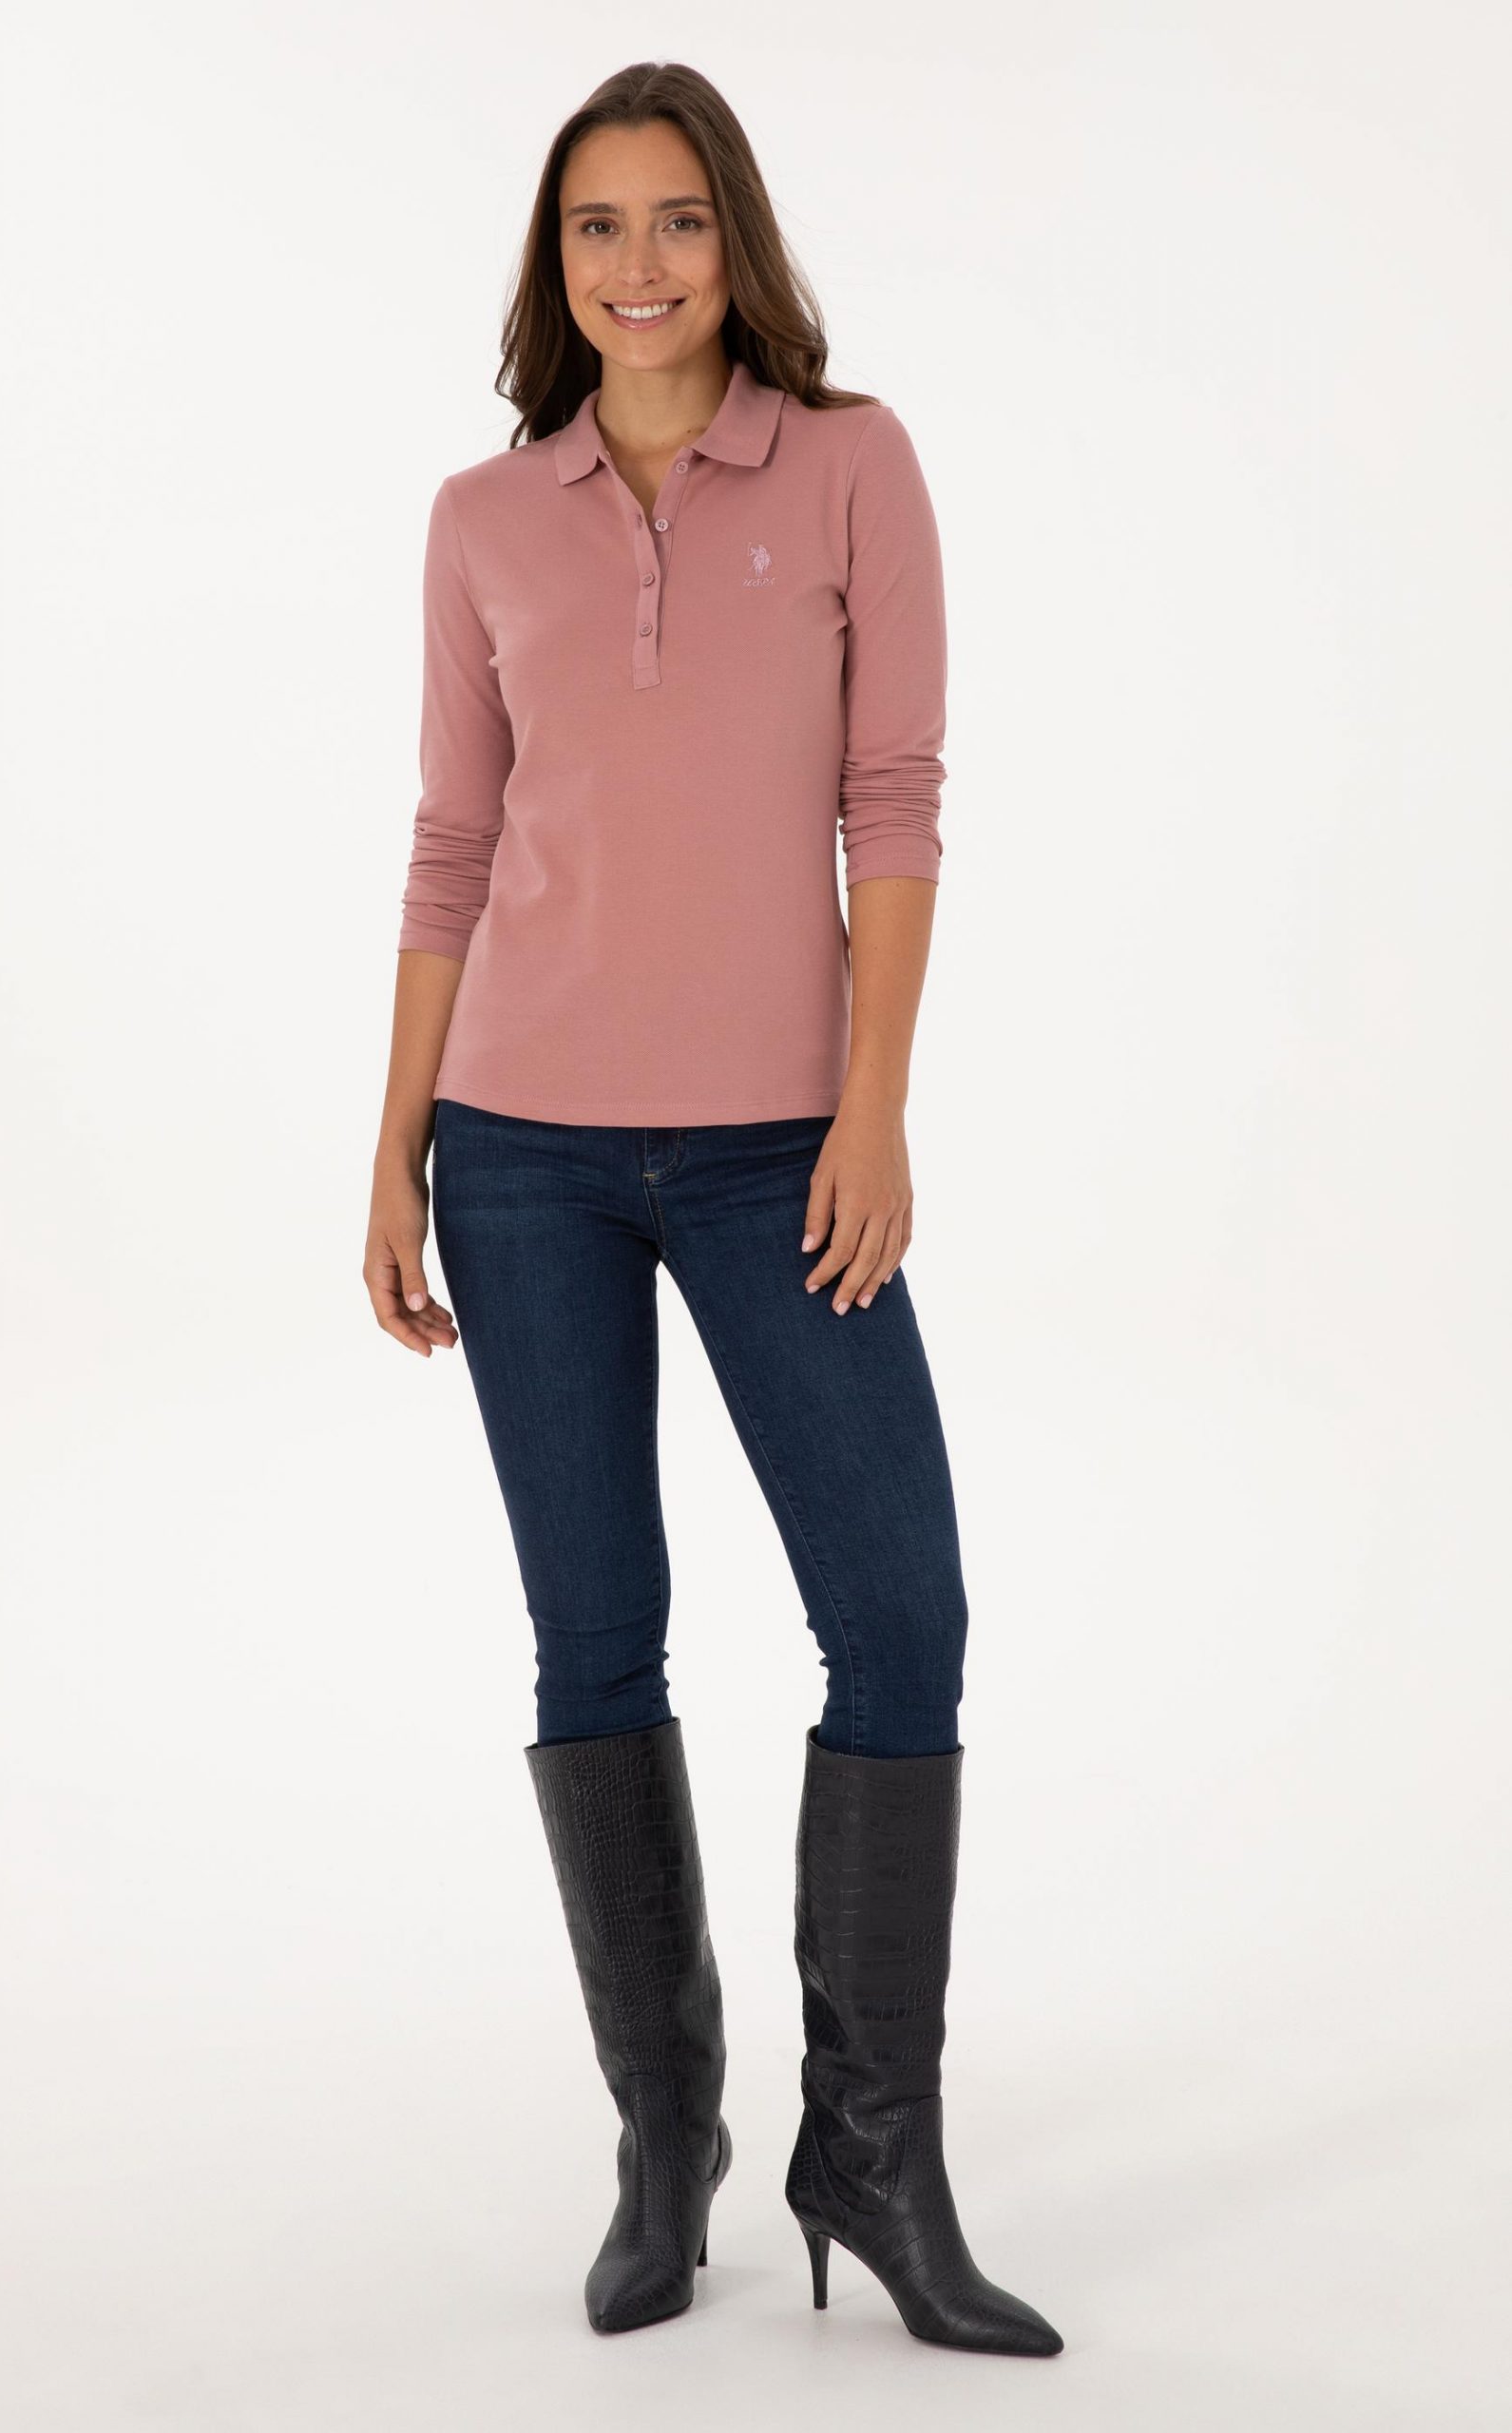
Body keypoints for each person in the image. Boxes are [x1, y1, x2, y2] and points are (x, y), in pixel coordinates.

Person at [363, 61, 1063, 2358]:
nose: (638, 265)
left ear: (733, 240)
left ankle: (869, 2148)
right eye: (596, 227)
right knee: (594, 1637)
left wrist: (873, 1108)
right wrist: (394, 1138)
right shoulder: (483, 515)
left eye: (675, 220)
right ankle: (662, 2141)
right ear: (551, 262)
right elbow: (452, 841)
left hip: (781, 1150)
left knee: (900, 1617)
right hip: (522, 1150)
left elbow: (895, 801)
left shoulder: (849, 465)